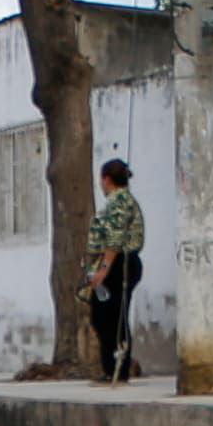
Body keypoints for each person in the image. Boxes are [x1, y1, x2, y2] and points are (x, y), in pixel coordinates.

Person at [83, 156, 145, 385]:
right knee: (110, 316)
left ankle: (116, 368)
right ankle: (114, 366)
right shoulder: (123, 200)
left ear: (106, 179)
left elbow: (115, 240)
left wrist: (104, 270)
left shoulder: (119, 203)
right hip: (120, 262)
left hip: (120, 263)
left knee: (109, 317)